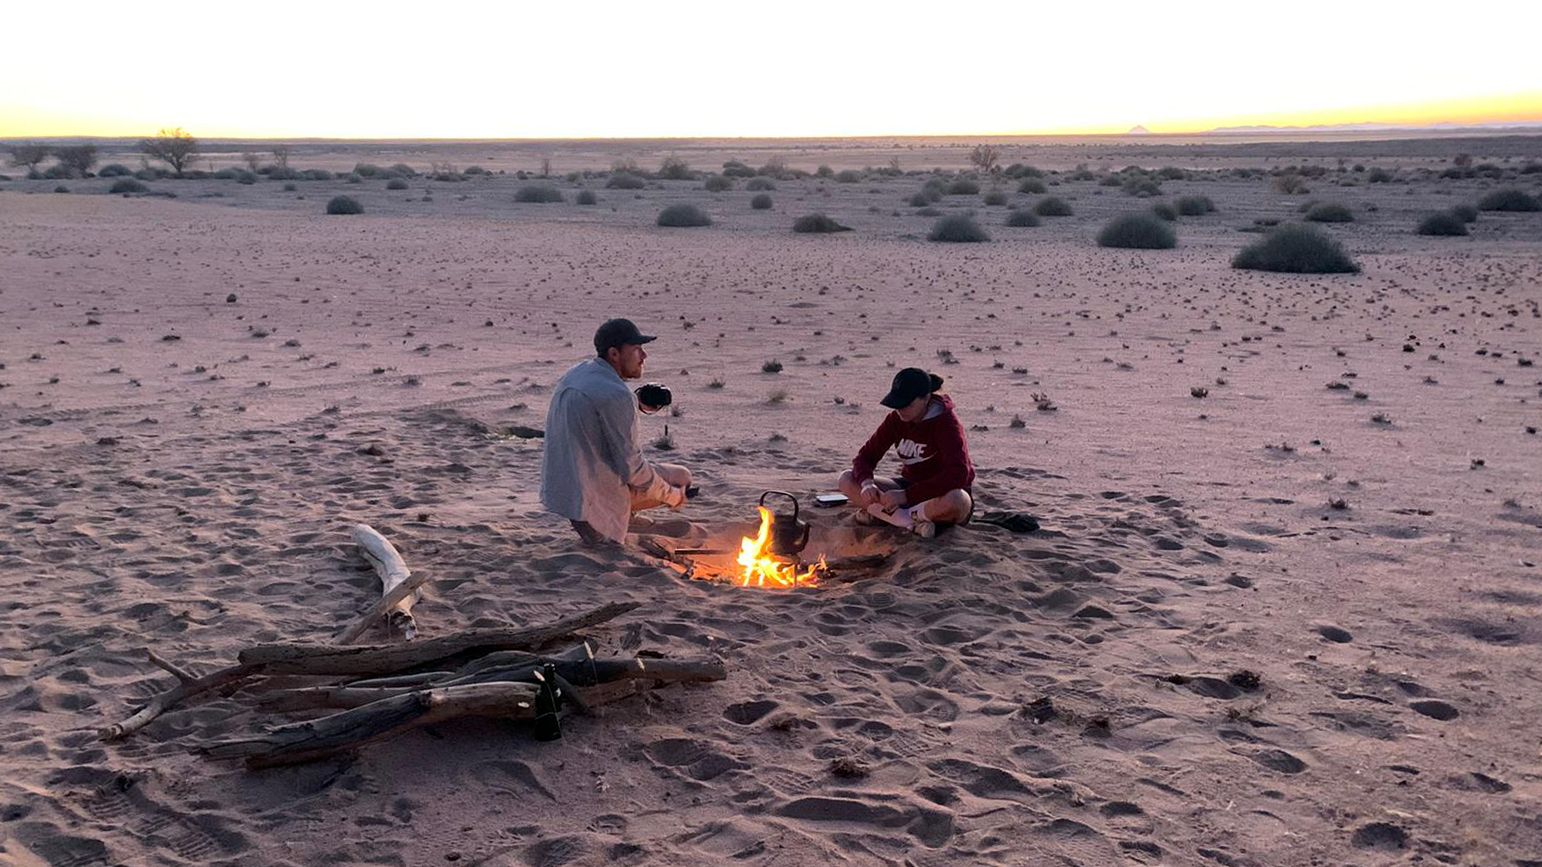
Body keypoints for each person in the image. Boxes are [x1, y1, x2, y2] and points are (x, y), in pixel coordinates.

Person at [540, 318, 691, 545]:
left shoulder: (578, 372)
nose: (644, 356)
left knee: (680, 475)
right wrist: (673, 497)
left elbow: (595, 416)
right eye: (637, 349)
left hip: (565, 493)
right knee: (681, 481)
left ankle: (624, 516)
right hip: (592, 500)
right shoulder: (618, 396)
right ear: (614, 354)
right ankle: (614, 520)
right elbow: (634, 470)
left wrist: (637, 404)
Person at [837, 368, 974, 538]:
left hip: (939, 495)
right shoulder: (896, 419)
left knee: (957, 500)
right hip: (908, 488)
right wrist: (867, 484)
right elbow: (865, 457)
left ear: (926, 398)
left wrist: (906, 496)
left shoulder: (946, 424)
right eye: (897, 404)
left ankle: (891, 517)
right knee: (847, 479)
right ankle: (909, 523)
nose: (901, 410)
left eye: (907, 404)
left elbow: (958, 475)